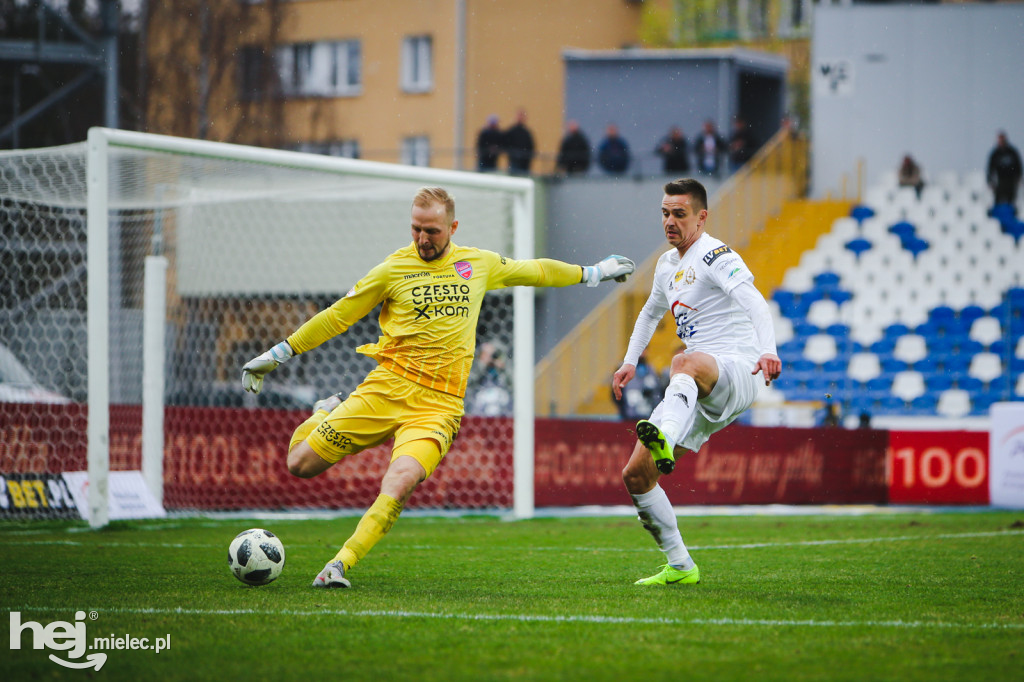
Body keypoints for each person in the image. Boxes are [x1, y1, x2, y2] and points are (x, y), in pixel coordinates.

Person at [241, 186, 635, 588]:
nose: (423, 239)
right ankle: (324, 412)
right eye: (416, 229)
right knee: (299, 466)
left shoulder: (477, 264)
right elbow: (338, 316)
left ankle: (339, 564)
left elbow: (535, 270)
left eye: (432, 231)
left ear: (453, 227)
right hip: (385, 390)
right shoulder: (392, 269)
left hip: (438, 407)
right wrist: (279, 353)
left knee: (402, 479)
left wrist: (595, 273)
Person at [611, 178, 781, 586]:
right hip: (697, 389)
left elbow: (754, 300)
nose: (669, 221)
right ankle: (681, 566)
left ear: (701, 218)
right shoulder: (667, 265)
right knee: (636, 475)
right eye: (665, 213)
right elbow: (651, 313)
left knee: (682, 359)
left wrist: (768, 349)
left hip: (737, 369)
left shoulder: (715, 254)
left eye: (679, 214)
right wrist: (629, 362)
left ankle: (664, 435)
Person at [611, 350, 663, 421]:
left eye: (644, 349)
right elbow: (615, 392)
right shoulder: (622, 369)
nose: (641, 352)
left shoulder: (651, 370)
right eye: (640, 349)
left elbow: (658, 392)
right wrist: (623, 409)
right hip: (629, 416)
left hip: (648, 417)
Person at [987, 131, 1023, 207]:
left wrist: (1019, 177)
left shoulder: (1012, 152)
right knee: (998, 199)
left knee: (1011, 199)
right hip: (1000, 180)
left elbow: (1018, 165)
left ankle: (1011, 213)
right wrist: (990, 180)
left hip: (1011, 180)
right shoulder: (995, 153)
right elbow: (990, 168)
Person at [503, 109, 535, 175]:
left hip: (524, 161)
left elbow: (531, 146)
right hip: (514, 159)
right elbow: (505, 141)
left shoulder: (526, 132)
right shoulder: (513, 131)